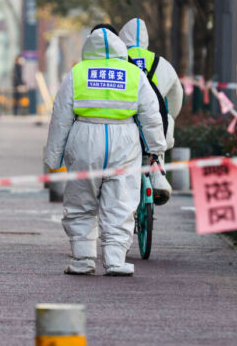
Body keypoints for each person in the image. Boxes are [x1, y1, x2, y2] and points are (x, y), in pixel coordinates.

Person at [44, 28, 166, 276]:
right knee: (121, 202)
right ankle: (115, 260)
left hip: (85, 138)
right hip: (125, 140)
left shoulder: (77, 73)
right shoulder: (134, 74)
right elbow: (151, 115)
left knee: (81, 200)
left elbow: (61, 117)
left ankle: (83, 259)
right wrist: (156, 149)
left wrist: (53, 157)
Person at [119, 18, 183, 205]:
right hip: (156, 126)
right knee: (159, 132)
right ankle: (158, 177)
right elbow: (176, 96)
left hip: (125, 126)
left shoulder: (117, 61)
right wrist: (170, 116)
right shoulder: (162, 63)